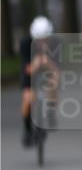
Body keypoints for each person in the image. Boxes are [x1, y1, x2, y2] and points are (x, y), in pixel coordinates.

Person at [20, 16, 57, 147]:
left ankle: (51, 110)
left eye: (45, 39)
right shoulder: (25, 44)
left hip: (48, 70)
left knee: (54, 80)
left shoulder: (56, 43)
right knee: (27, 98)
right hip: (31, 72)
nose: (42, 42)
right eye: (39, 40)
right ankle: (27, 129)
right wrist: (35, 64)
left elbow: (58, 69)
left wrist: (48, 63)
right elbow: (26, 70)